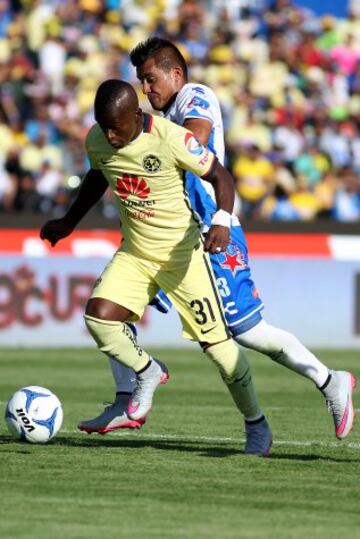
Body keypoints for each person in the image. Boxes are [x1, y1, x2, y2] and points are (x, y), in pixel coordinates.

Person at [78, 38, 356, 441]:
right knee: (114, 313)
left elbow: (198, 138)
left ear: (176, 73)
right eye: (140, 81)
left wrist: (158, 145)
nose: (146, 89)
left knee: (245, 330)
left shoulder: (194, 97)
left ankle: (329, 380)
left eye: (151, 78)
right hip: (166, 237)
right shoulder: (149, 121)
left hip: (214, 231)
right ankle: (127, 395)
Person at [40, 79, 272, 456]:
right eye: (104, 126)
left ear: (136, 114)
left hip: (182, 258)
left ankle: (256, 423)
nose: (111, 135)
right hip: (136, 253)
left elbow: (220, 176)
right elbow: (99, 175)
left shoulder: (170, 138)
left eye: (117, 126)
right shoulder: (98, 139)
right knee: (99, 316)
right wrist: (68, 222)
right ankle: (147, 370)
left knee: (220, 352)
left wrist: (222, 219)